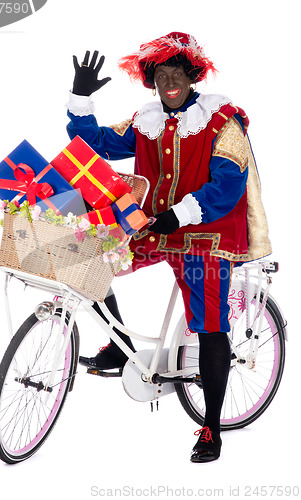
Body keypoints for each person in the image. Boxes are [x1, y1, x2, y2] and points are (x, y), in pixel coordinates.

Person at [65, 32, 271, 462]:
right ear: (151, 81)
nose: (169, 81)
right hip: (154, 228)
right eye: (160, 74)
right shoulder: (146, 121)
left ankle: (211, 427)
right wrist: (80, 99)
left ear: (193, 74)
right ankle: (117, 344)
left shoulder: (220, 120)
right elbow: (95, 145)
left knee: (210, 324)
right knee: (89, 257)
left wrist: (180, 214)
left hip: (204, 236)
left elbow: (228, 185)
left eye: (177, 71)